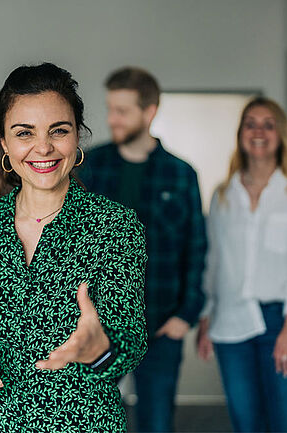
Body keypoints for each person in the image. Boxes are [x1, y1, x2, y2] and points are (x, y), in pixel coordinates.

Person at [0, 62, 147, 432]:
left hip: (83, 422)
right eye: (24, 133)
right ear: (3, 142)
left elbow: (131, 341)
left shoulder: (114, 226)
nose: (43, 147)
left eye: (58, 130)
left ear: (77, 136)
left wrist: (99, 350)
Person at [76, 66, 205, 432]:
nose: (112, 119)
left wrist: (186, 315)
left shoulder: (181, 174)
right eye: (110, 109)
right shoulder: (90, 166)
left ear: (149, 112)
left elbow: (196, 249)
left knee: (157, 422)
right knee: (89, 419)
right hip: (97, 324)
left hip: (160, 325)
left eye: (122, 111)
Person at [195, 97, 287, 432]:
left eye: (268, 124)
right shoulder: (223, 195)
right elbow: (214, 261)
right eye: (250, 123)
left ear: (281, 134)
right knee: (247, 425)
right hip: (229, 323)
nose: (258, 131)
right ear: (241, 133)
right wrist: (206, 315)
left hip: (281, 321)